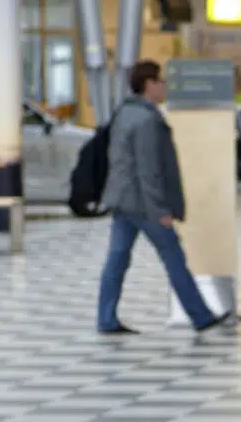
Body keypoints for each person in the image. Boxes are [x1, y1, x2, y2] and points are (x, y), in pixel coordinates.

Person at [96, 60, 230, 336]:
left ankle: (106, 318)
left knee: (117, 259)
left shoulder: (125, 113)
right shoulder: (147, 120)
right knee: (173, 256)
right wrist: (160, 210)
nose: (164, 86)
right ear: (149, 84)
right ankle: (200, 316)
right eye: (161, 81)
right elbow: (149, 170)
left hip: (122, 199)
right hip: (144, 203)